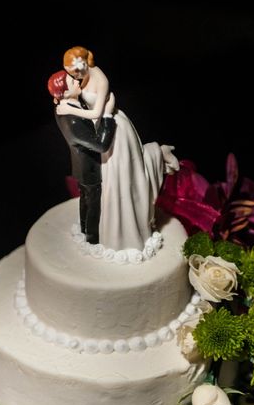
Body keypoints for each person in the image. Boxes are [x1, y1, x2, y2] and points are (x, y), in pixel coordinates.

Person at [57, 46, 179, 251]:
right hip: (101, 129)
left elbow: (97, 113)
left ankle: (158, 154)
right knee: (113, 179)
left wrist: (69, 109)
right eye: (71, 74)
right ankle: (113, 224)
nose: (75, 77)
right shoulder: (82, 76)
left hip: (114, 130)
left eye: (75, 72)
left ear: (84, 62)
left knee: (123, 174)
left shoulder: (101, 79)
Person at [48, 70, 116, 244]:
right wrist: (107, 115)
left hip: (80, 166)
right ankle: (92, 237)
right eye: (72, 82)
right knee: (93, 202)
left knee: (85, 198)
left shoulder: (65, 107)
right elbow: (101, 145)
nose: (77, 81)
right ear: (64, 93)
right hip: (89, 167)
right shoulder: (72, 121)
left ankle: (84, 228)